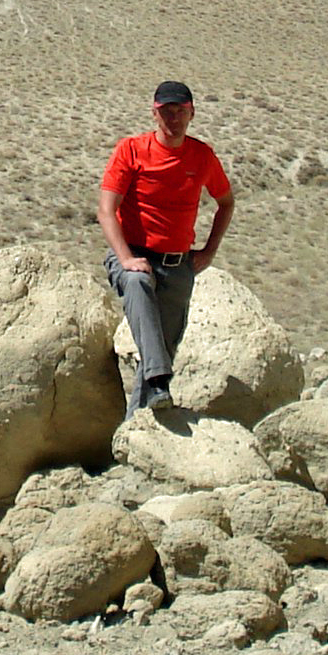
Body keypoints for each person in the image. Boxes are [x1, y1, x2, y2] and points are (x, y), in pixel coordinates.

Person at [98, 79, 236, 415]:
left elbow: (226, 202)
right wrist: (127, 258)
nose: (173, 118)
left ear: (191, 114)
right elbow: (105, 210)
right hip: (132, 255)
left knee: (161, 351)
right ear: (154, 113)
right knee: (137, 282)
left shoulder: (201, 156)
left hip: (178, 266)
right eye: (166, 111)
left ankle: (137, 429)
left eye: (180, 111)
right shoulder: (131, 150)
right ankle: (160, 380)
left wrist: (208, 251)